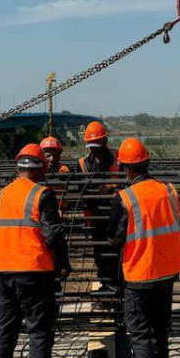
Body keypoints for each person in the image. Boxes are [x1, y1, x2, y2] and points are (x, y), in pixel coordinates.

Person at [0, 144, 71, 358]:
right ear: (40, 170)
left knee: (3, 331)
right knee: (39, 331)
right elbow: (53, 234)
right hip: (34, 272)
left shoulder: (2, 195)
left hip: (2, 272)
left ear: (18, 167)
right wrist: (63, 263)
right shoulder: (42, 195)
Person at [107, 138, 180, 358]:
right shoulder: (169, 190)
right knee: (159, 325)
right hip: (167, 272)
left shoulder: (125, 198)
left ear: (126, 169)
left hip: (140, 274)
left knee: (138, 330)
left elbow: (115, 238)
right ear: (147, 162)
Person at [76, 121, 122, 294]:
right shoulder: (82, 164)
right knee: (100, 251)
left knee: (117, 250)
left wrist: (112, 187)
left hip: (118, 217)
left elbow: (130, 185)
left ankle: (117, 284)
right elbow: (81, 192)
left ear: (105, 141)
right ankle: (106, 283)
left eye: (97, 145)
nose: (94, 149)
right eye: (91, 145)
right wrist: (95, 194)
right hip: (95, 217)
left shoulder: (119, 158)